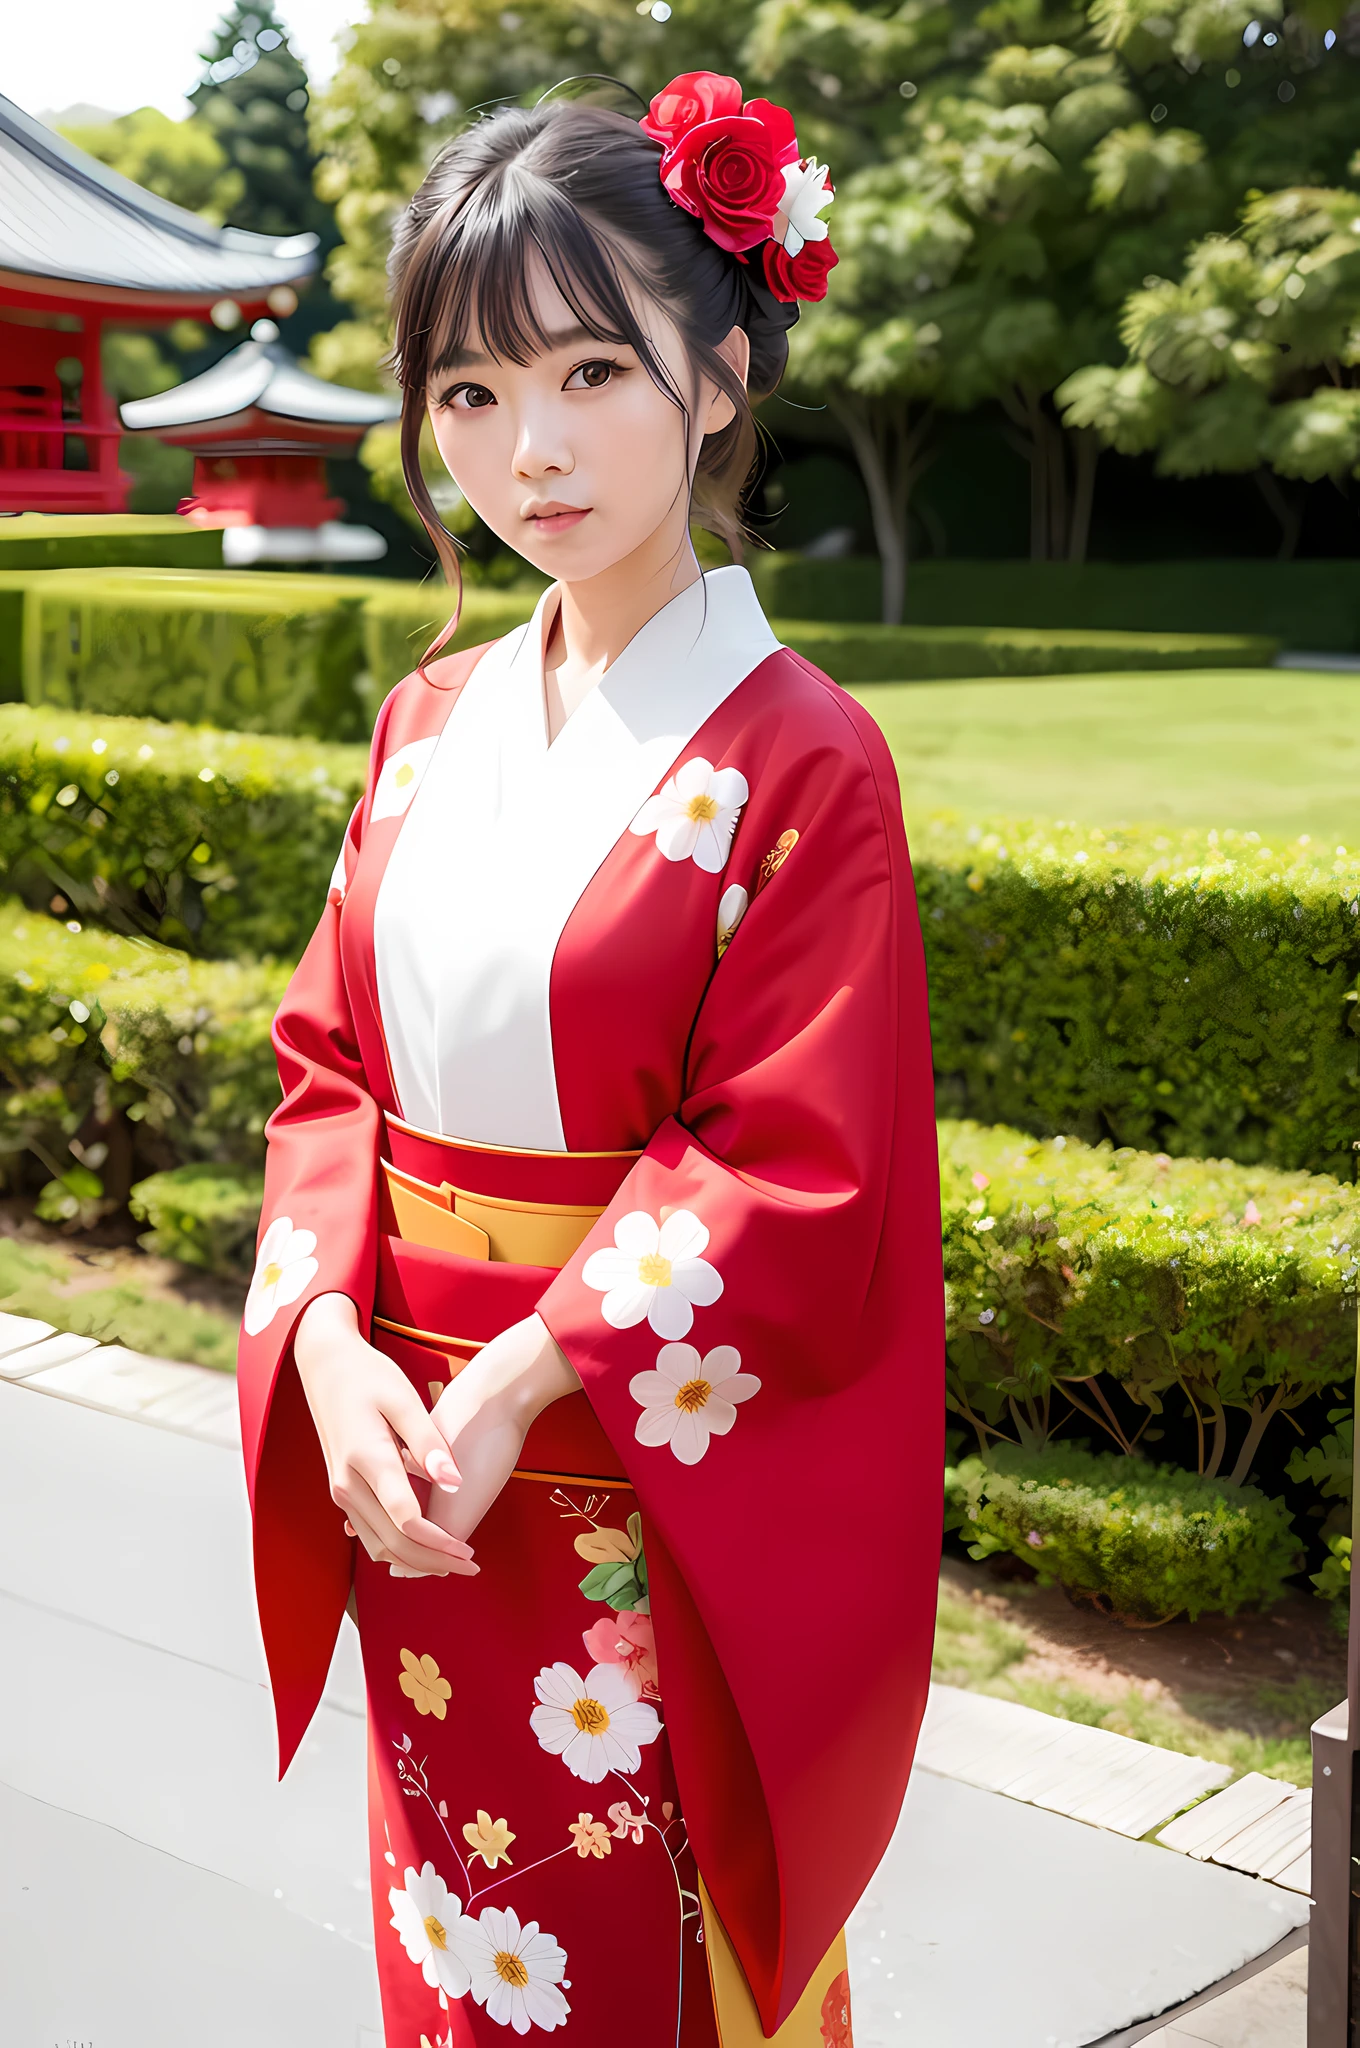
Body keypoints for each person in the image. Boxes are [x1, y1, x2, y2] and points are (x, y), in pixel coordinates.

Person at [236, 70, 942, 2047]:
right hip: (409, 1465)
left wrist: (518, 1376)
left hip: (633, 1477)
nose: (525, 451)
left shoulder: (802, 756)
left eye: (585, 372)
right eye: (467, 393)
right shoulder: (426, 716)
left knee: (642, 1945)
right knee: (458, 1942)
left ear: (718, 372)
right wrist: (330, 1349)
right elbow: (327, 1068)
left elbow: (792, 1167)